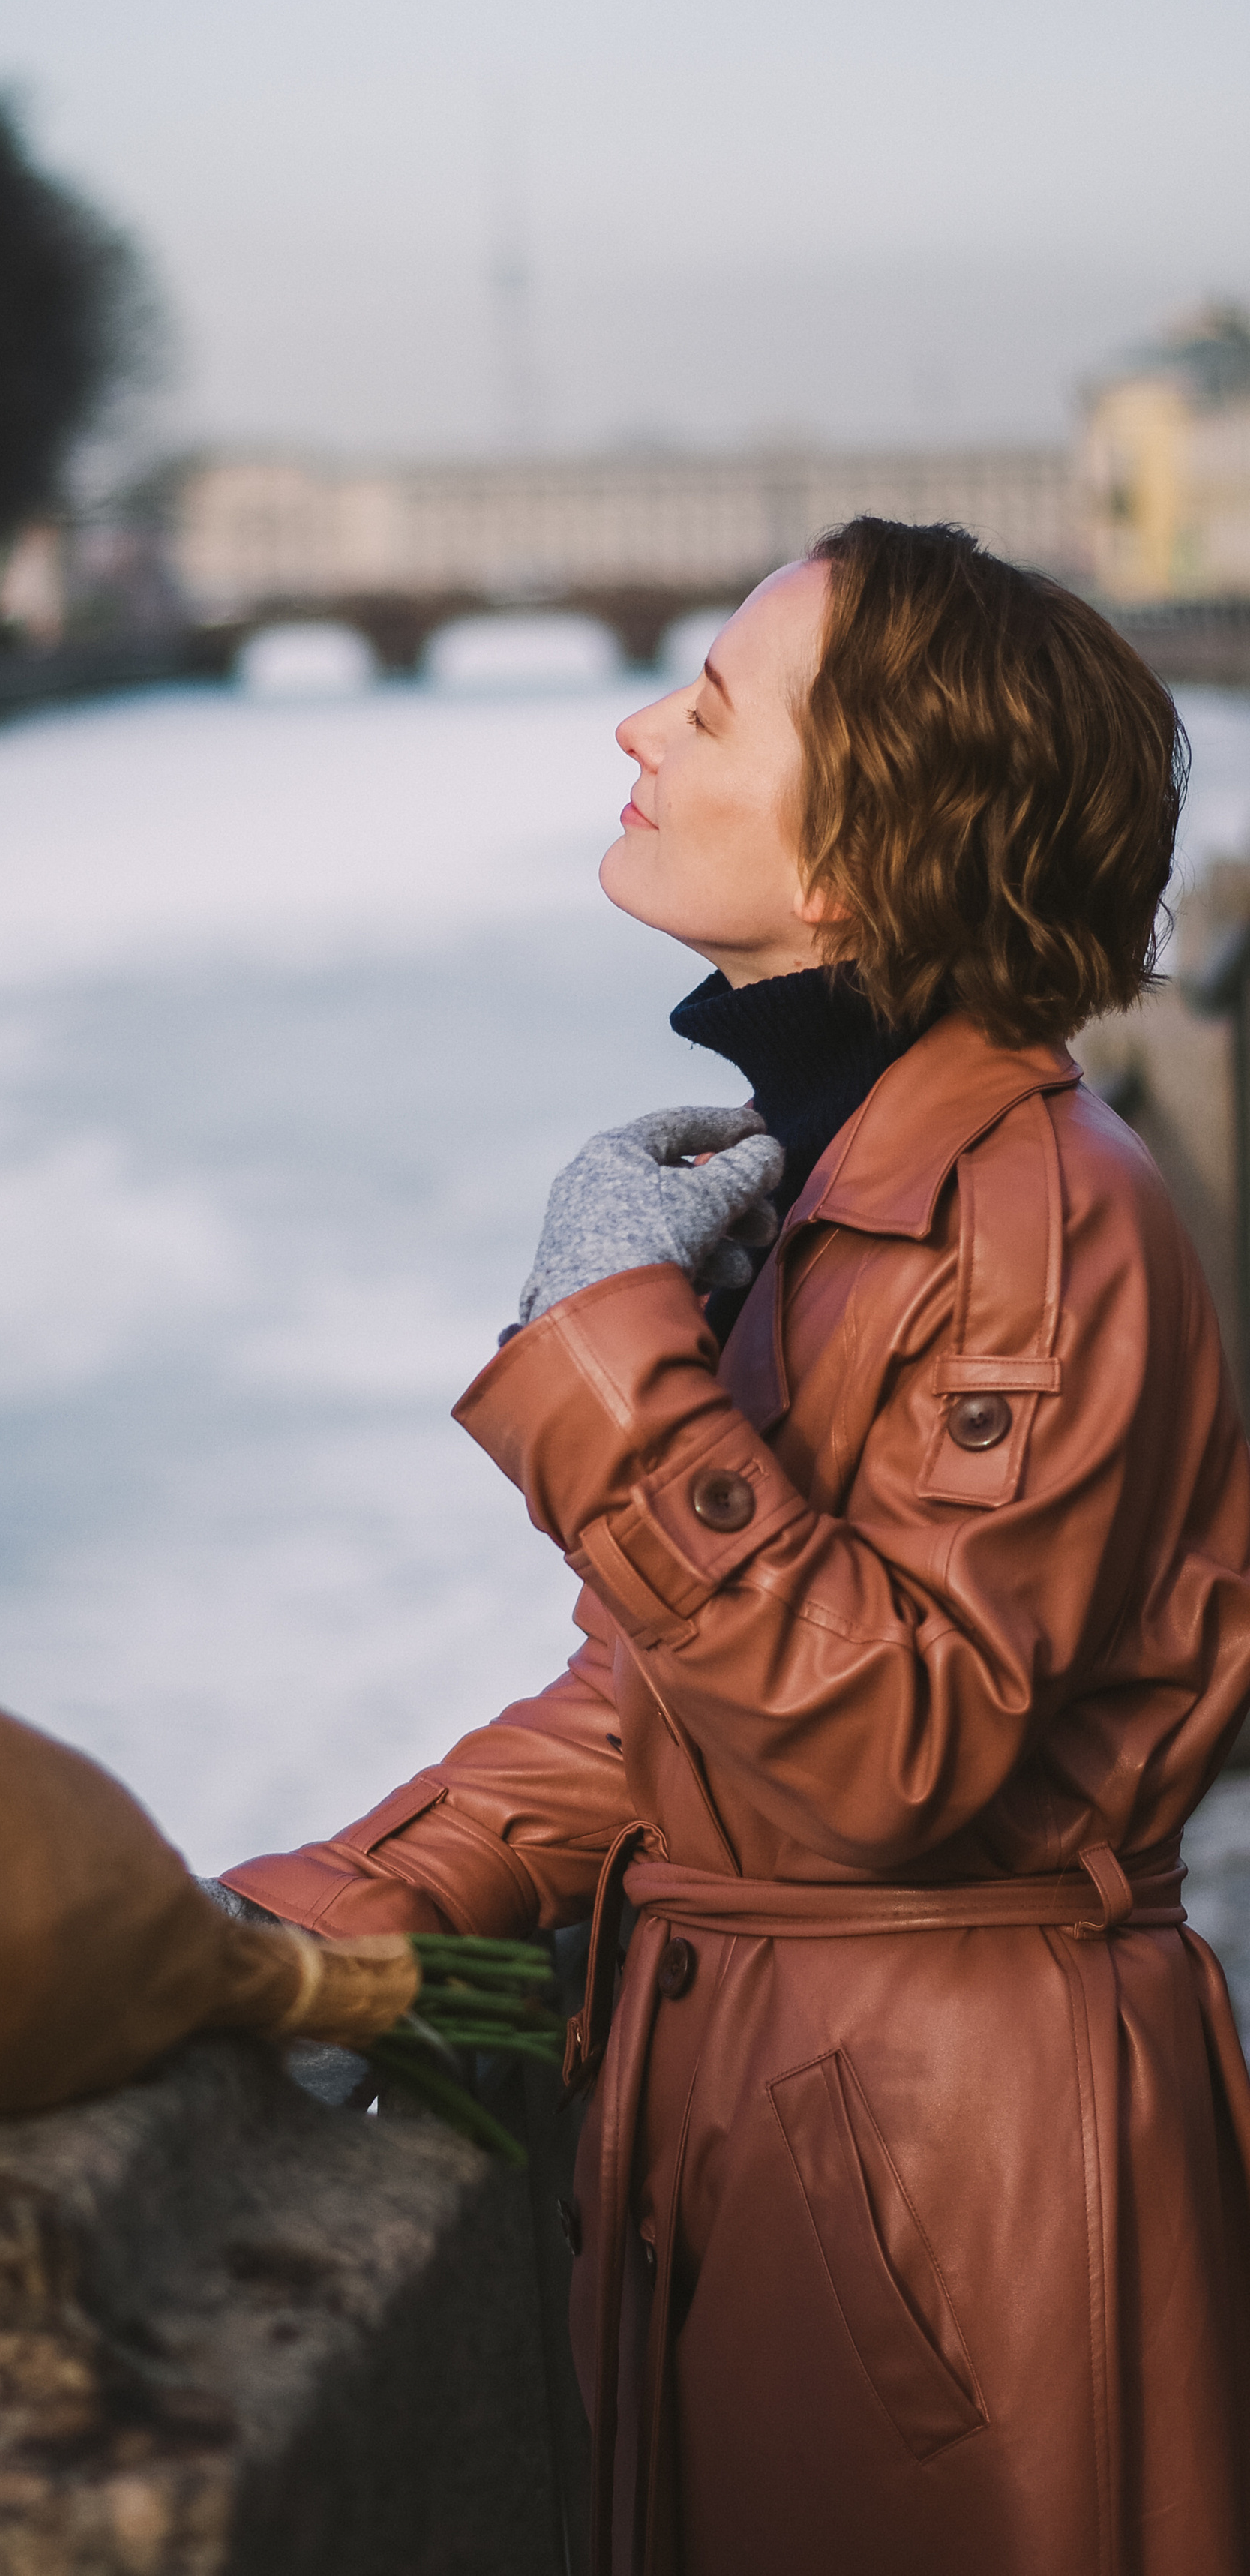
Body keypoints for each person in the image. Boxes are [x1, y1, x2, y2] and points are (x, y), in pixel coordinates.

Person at [222, 518, 1250, 2576]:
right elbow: (667, 1713)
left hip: (943, 2188)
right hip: (815, 2128)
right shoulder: (862, 1179)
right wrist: (293, 1921)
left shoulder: (1037, 1215)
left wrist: (611, 1353)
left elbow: (888, 1750)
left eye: (704, 709)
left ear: (865, 847)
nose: (636, 731)